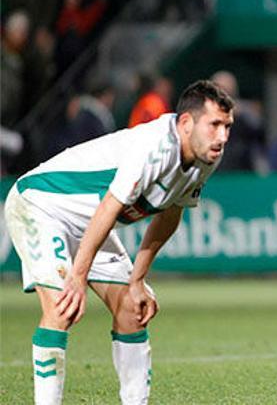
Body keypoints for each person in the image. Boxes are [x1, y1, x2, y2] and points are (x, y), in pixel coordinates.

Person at [4, 80, 234, 405]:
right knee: (62, 306)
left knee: (131, 308)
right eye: (214, 125)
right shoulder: (153, 147)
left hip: (91, 222)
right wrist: (78, 276)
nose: (222, 137)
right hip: (41, 205)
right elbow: (110, 207)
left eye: (227, 126)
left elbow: (170, 213)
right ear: (186, 123)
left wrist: (138, 280)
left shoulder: (205, 158)